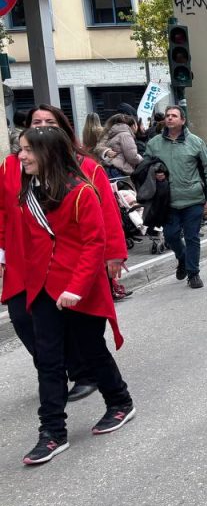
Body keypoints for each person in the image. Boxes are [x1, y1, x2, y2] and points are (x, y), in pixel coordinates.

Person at [11, 126, 136, 464]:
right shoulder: (29, 191)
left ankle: (120, 402)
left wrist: (75, 289)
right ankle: (52, 432)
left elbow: (93, 244)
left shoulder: (82, 191)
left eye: (27, 150)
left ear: (47, 151)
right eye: (20, 149)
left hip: (80, 287)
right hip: (42, 289)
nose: (20, 156)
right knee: (49, 361)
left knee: (91, 350)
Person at [1, 105, 128, 403]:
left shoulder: (85, 168)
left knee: (81, 329)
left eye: (50, 122)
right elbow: (4, 213)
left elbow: (104, 218)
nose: (43, 126)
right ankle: (60, 372)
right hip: (25, 258)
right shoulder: (11, 167)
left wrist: (114, 254)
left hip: (70, 261)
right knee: (23, 320)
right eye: (36, 122)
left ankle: (85, 377)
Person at [143, 105, 207, 289]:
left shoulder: (196, 142)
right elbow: (144, 167)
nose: (169, 118)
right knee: (171, 236)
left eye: (174, 116)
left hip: (193, 198)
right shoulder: (154, 144)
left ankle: (193, 274)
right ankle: (183, 259)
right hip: (167, 200)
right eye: (167, 115)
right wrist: (155, 172)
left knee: (192, 237)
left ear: (182, 120)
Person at [98, 113, 143, 178]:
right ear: (133, 126)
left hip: (110, 168)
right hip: (119, 170)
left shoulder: (113, 134)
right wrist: (140, 158)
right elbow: (132, 157)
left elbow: (98, 147)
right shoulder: (125, 135)